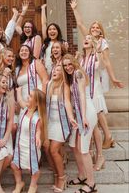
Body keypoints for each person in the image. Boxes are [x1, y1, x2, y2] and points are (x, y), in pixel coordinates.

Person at [70, 0, 123, 148]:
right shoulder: (89, 39)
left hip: (97, 74)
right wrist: (74, 9)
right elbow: (80, 24)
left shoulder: (102, 42)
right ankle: (103, 135)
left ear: (100, 31)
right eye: (92, 27)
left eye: (96, 28)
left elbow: (106, 62)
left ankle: (107, 135)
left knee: (97, 107)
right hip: (87, 71)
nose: (93, 29)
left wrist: (113, 78)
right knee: (94, 107)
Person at [62, 54, 97, 193]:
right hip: (80, 114)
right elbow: (68, 100)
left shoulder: (78, 73)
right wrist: (73, 117)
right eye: (65, 66)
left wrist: (83, 117)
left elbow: (82, 95)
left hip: (87, 113)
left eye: (69, 64)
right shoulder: (70, 78)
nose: (68, 67)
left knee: (84, 151)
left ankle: (91, 184)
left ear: (74, 62)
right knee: (75, 147)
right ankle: (82, 176)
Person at [11, 87, 47, 193]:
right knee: (14, 165)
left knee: (33, 169)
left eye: (31, 96)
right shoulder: (25, 109)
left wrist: (38, 138)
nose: (28, 97)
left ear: (36, 103)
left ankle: (33, 186)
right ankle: (19, 183)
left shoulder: (37, 118)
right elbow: (21, 101)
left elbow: (38, 131)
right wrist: (18, 91)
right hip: (20, 145)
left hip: (31, 147)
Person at [80, 35, 107, 171]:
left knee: (95, 126)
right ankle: (94, 154)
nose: (86, 39)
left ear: (93, 43)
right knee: (91, 125)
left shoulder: (95, 58)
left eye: (89, 38)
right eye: (85, 38)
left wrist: (98, 51)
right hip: (84, 95)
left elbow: (102, 66)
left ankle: (100, 156)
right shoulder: (81, 59)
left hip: (94, 93)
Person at [46, 65, 70, 192]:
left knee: (54, 150)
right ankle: (56, 176)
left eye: (58, 70)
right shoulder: (49, 84)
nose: (55, 71)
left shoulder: (64, 86)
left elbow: (67, 104)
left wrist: (72, 118)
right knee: (47, 150)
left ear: (63, 74)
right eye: (54, 70)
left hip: (61, 123)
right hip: (50, 123)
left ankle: (62, 177)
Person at [41, 4, 68, 75]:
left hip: (58, 71)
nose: (52, 31)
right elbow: (44, 24)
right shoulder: (46, 43)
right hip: (46, 71)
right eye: (49, 29)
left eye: (54, 29)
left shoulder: (62, 43)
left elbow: (65, 57)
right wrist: (43, 9)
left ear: (58, 31)